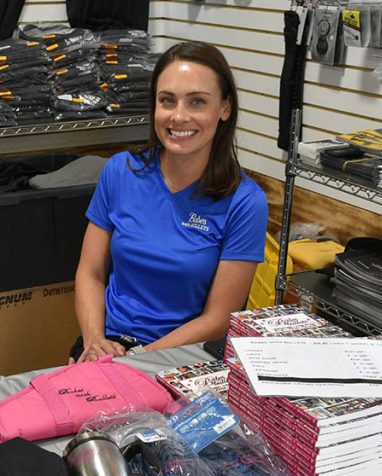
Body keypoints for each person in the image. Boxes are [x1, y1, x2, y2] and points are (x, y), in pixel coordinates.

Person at [71, 41, 268, 363]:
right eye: (167, 101)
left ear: (225, 108)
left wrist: (137, 359)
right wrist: (94, 342)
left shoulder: (246, 202)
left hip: (185, 355)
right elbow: (90, 273)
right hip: (107, 344)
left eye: (197, 102)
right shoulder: (120, 171)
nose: (178, 116)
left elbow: (217, 319)